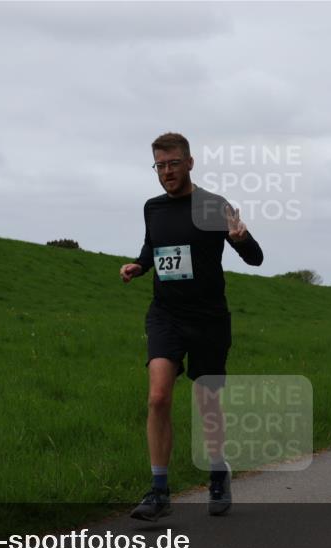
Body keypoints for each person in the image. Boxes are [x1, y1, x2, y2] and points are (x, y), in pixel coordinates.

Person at [120, 132, 264, 520]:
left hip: (209, 318)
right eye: (160, 165)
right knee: (158, 396)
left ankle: (218, 473)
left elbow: (255, 259)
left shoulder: (214, 206)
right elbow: (153, 247)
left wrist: (242, 236)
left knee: (207, 401)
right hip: (165, 314)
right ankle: (159, 489)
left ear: (189, 163)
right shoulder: (153, 208)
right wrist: (139, 265)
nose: (167, 172)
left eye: (173, 164)